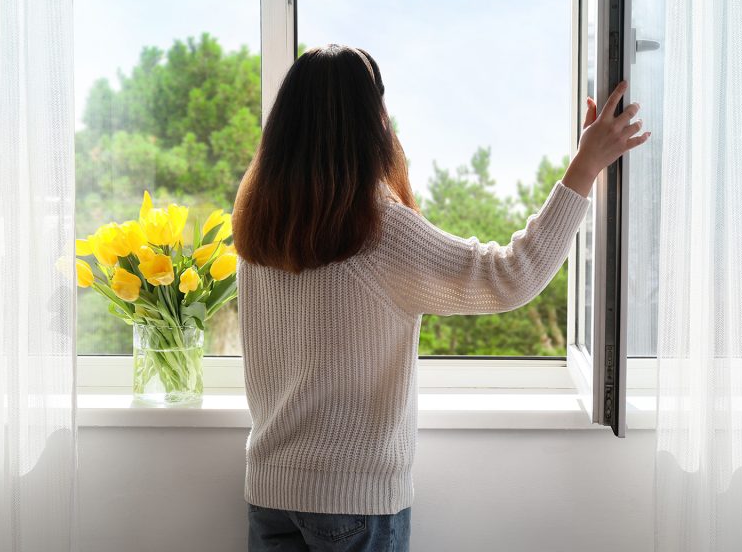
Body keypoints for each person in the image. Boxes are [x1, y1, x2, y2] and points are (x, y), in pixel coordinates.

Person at [232, 44, 649, 552]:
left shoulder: (259, 229)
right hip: (353, 504)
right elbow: (512, 275)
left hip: (269, 491)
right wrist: (585, 166)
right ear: (372, 122)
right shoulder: (378, 230)